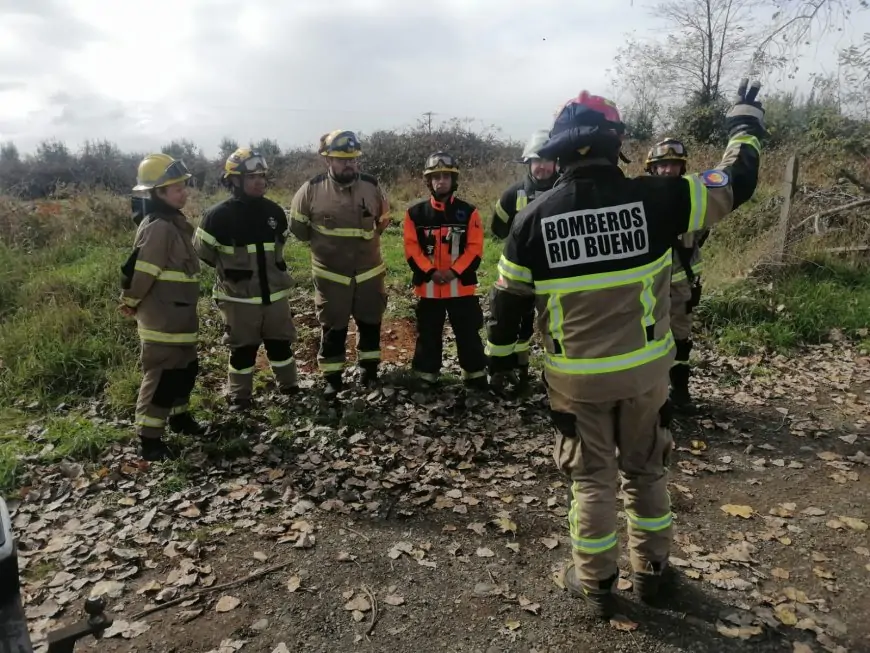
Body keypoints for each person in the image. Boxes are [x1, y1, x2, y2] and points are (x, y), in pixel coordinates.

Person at [486, 80, 764, 617]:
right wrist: (744, 123)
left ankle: (595, 584)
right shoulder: (661, 198)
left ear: (559, 152)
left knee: (592, 482)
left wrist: (505, 368)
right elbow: (739, 181)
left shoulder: (531, 221)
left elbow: (506, 311)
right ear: (618, 144)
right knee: (646, 472)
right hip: (645, 376)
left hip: (575, 383)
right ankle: (653, 573)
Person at [194, 148, 299, 411]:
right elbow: (203, 252)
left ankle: (291, 388)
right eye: (252, 176)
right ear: (234, 181)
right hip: (238, 299)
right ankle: (241, 398)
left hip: (274, 296)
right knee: (243, 350)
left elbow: (280, 247)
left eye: (262, 176)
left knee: (280, 345)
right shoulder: (217, 217)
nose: (259, 181)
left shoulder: (274, 211)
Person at [289, 130, 391, 396]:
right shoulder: (311, 189)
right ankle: (332, 378)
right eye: (341, 159)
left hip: (369, 272)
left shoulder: (371, 186)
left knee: (370, 323)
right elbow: (298, 228)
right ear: (328, 160)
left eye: (353, 159)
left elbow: (382, 221)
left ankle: (369, 371)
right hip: (331, 276)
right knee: (333, 327)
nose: (349, 164)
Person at [120, 153, 205, 461]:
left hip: (180, 318)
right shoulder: (157, 227)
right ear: (157, 193)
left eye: (184, 186)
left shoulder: (174, 222)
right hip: (162, 320)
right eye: (176, 188)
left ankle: (180, 419)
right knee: (162, 378)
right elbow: (142, 271)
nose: (184, 192)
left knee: (185, 371)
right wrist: (129, 301)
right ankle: (148, 439)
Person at [403, 152, 488, 389]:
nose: (441, 181)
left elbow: (475, 249)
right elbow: (411, 249)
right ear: (428, 181)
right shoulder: (415, 214)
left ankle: (475, 374)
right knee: (428, 333)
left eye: (445, 177)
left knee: (468, 332)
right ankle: (425, 375)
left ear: (453, 180)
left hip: (461, 288)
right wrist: (431, 272)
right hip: (428, 289)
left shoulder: (469, 212)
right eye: (436, 177)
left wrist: (454, 272)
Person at [489, 130, 558, 385]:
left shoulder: (566, 191)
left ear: (557, 162)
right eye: (536, 161)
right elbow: (498, 228)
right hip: (518, 276)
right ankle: (505, 371)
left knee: (553, 325)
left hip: (555, 276)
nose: (542, 166)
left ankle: (553, 373)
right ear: (528, 163)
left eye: (547, 160)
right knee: (511, 322)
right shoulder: (513, 194)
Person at [644, 138, 707, 411]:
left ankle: (680, 391)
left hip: (682, 285)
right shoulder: (641, 198)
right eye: (663, 165)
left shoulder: (693, 196)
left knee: (680, 339)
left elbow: (701, 233)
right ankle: (650, 395)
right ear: (653, 169)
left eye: (673, 165)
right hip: (648, 286)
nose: (668, 170)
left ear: (682, 168)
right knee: (647, 340)